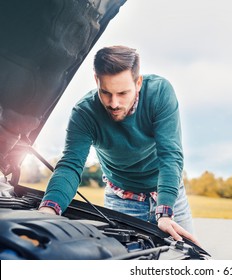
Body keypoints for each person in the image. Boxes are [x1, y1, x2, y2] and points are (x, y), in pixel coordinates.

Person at [39, 45, 198, 244]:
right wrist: (49, 209)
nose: (114, 103)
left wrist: (165, 212)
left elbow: (170, 156)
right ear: (96, 80)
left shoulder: (159, 93)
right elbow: (71, 164)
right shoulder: (84, 113)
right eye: (106, 92)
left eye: (123, 93)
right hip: (121, 202)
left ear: (138, 82)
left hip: (169, 197)